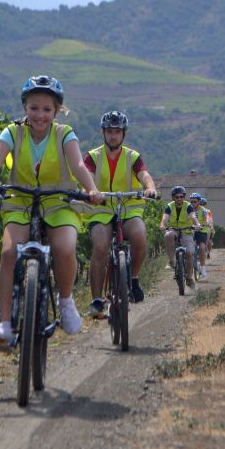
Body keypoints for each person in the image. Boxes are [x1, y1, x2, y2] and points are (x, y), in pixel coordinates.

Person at [0, 75, 104, 345]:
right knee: (9, 252)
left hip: (58, 201)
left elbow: (78, 165)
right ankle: (6, 323)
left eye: (46, 109)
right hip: (20, 200)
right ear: (24, 108)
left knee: (65, 249)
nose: (40, 115)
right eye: (34, 108)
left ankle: (65, 301)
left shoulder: (64, 133)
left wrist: (90, 189)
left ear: (57, 111)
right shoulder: (12, 131)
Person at [83, 110, 158, 318]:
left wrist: (150, 188)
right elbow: (86, 177)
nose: (113, 136)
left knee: (140, 236)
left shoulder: (132, 156)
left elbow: (145, 175)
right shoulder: (93, 156)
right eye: (109, 131)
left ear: (123, 134)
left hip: (128, 207)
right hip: (101, 208)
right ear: (103, 133)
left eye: (117, 131)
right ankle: (97, 300)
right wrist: (89, 191)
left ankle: (133, 277)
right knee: (100, 247)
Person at [159, 185, 202, 287]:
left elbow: (192, 216)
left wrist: (197, 224)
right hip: (174, 229)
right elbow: (165, 219)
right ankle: (171, 261)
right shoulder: (169, 206)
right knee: (168, 235)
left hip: (187, 230)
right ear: (173, 197)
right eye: (177, 197)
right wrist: (162, 226)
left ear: (184, 197)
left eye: (181, 196)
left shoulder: (188, 206)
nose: (179, 199)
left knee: (190, 254)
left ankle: (190, 278)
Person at [188, 193, 209, 279]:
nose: (193, 203)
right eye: (191, 201)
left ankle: (203, 267)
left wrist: (207, 222)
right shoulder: (188, 209)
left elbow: (207, 217)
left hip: (201, 231)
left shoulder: (203, 210)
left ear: (199, 202)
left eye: (195, 201)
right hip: (189, 230)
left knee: (202, 247)